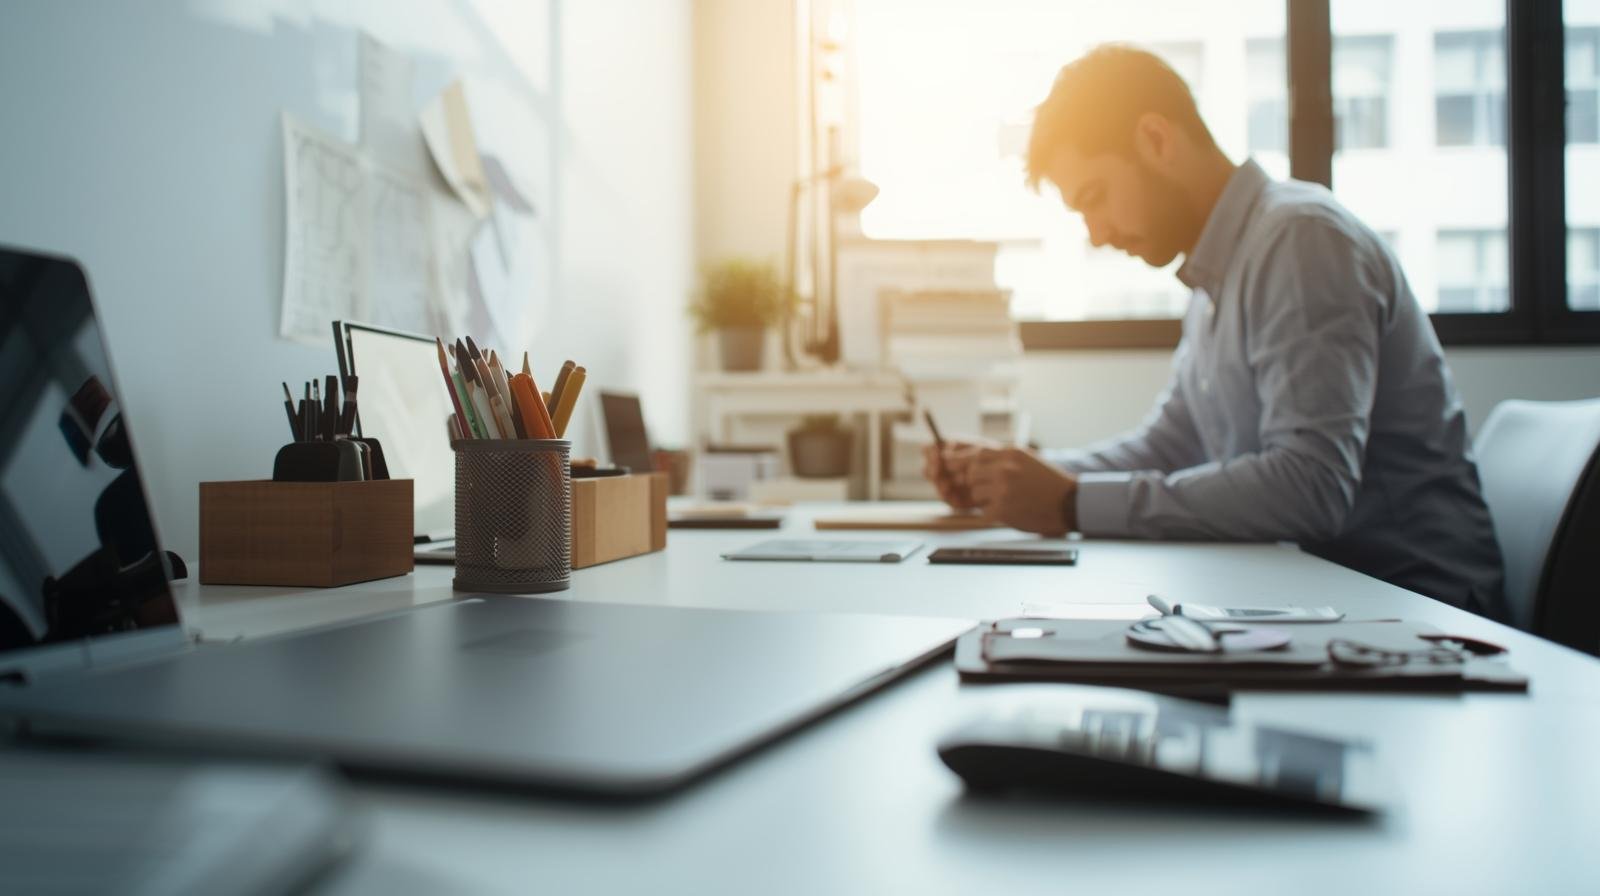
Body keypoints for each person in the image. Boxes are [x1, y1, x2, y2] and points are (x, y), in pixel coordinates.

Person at [924, 44, 1506, 620]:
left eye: (1095, 199)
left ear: (1155, 138)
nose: (1097, 234)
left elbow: (1311, 485)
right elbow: (1169, 446)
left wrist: (1071, 502)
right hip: (1329, 597)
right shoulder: (1217, 276)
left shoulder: (1300, 240)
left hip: (1418, 611)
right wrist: (1015, 477)